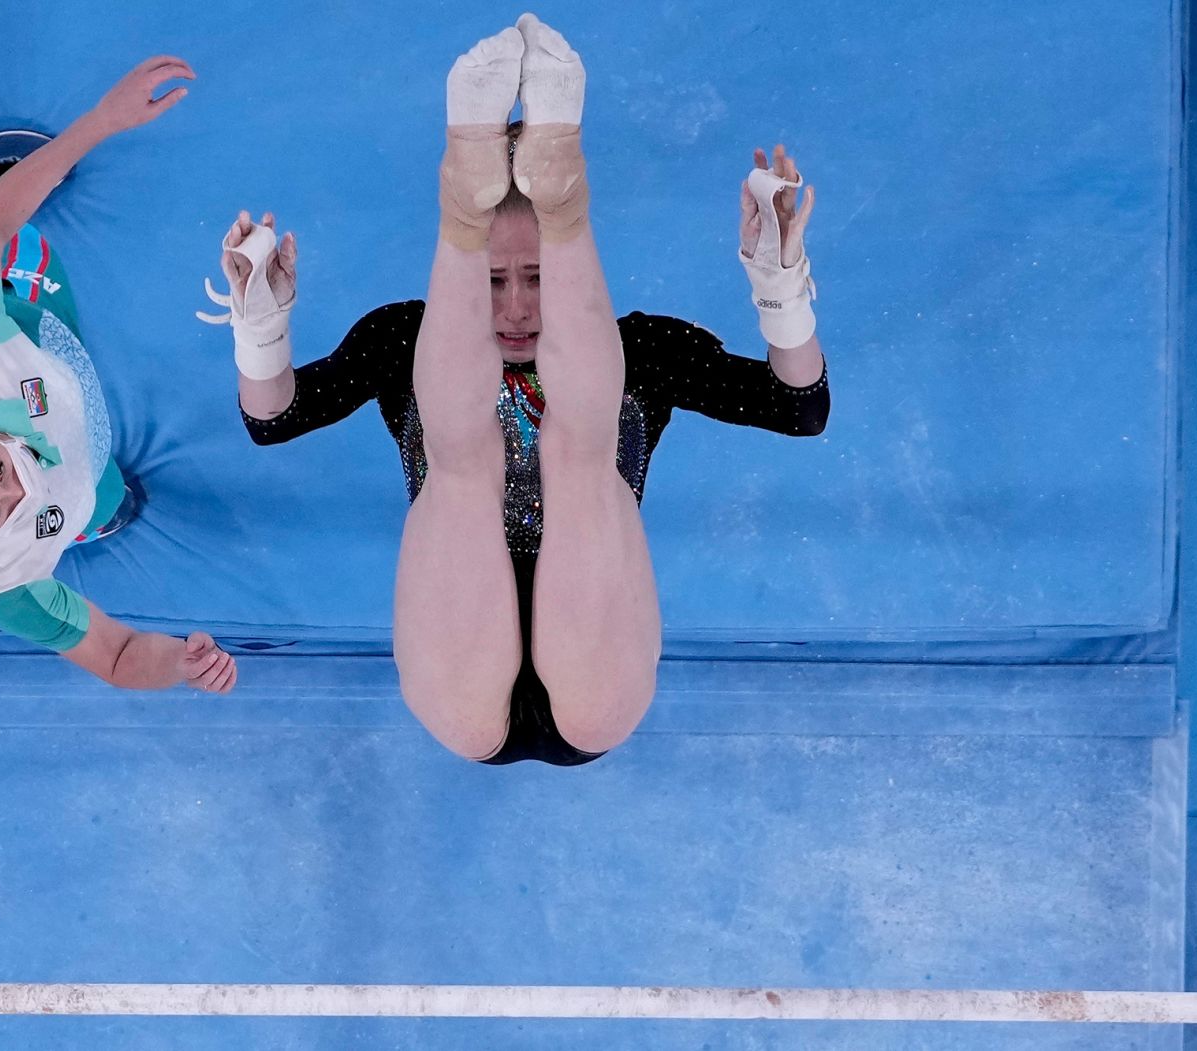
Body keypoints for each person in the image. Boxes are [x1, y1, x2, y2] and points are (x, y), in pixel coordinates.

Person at [208, 16, 826, 762]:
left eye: (536, 276)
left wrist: (781, 289)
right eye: (492, 278)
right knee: (462, 459)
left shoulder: (643, 351)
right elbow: (275, 418)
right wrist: (261, 330)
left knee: (582, 450)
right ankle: (476, 205)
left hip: (597, 661)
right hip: (459, 666)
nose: (516, 307)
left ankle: (550, 196)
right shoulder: (406, 335)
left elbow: (798, 407)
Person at [0, 56, 237, 693]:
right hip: (71, 437)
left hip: (37, 344)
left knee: (18, 250)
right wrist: (182, 666)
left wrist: (100, 122)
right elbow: (114, 656)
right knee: (96, 497)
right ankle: (96, 507)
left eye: (0, 470)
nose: (23, 491)